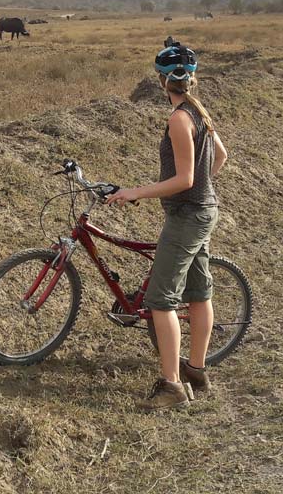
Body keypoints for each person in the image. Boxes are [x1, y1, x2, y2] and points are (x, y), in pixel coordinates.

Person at [106, 37, 228, 410]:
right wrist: (202, 190)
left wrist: (136, 192)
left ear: (161, 81)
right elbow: (220, 156)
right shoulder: (199, 111)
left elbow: (185, 179)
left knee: (161, 301)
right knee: (199, 293)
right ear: (192, 78)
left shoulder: (179, 118)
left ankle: (172, 388)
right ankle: (196, 370)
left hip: (188, 217)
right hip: (204, 212)